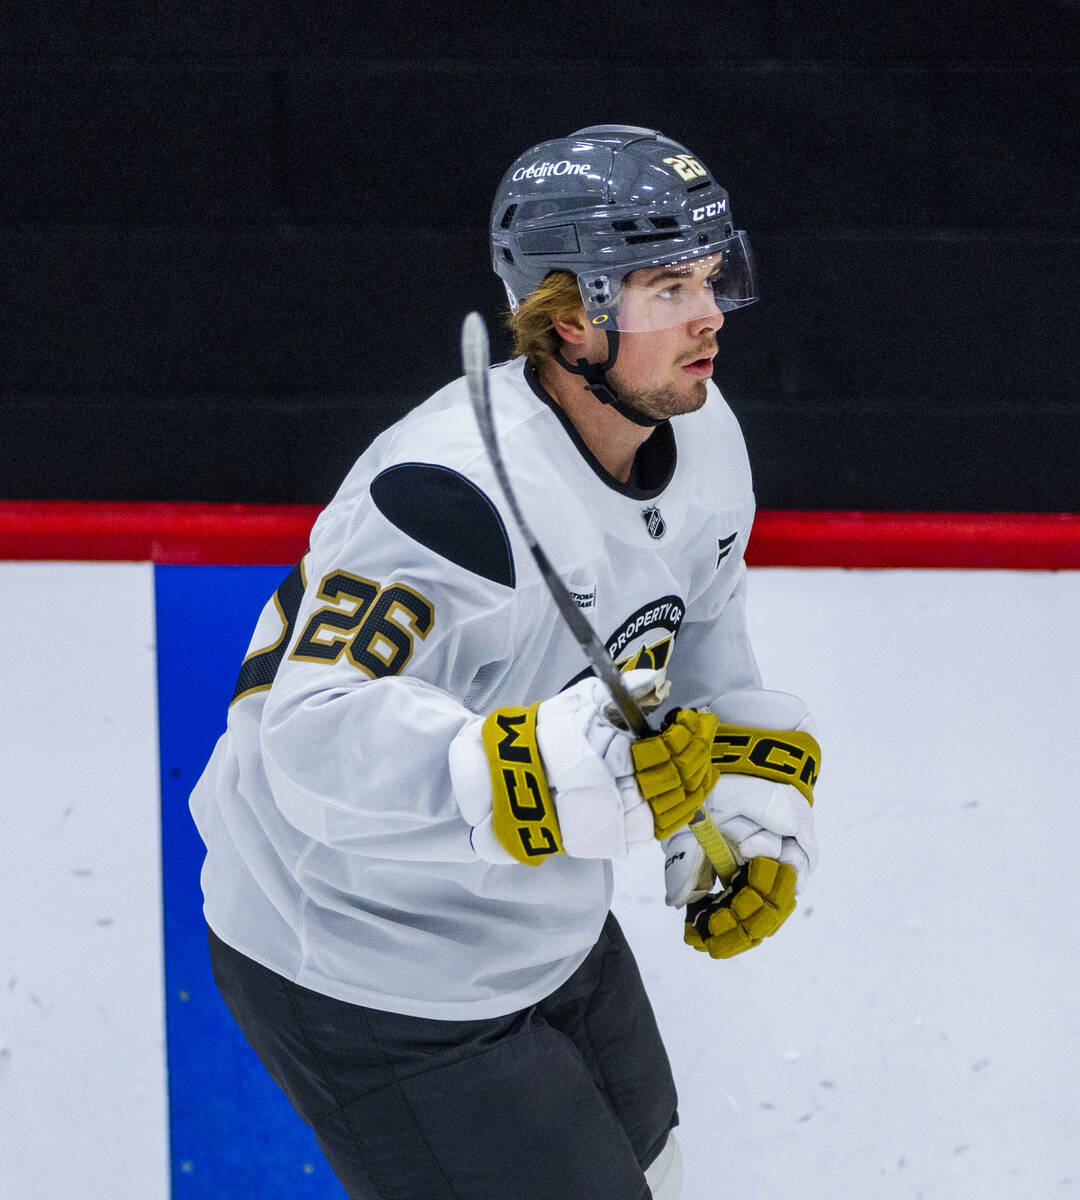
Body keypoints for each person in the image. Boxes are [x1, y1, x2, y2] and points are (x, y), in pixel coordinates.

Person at [190, 124, 820, 1200]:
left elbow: (698, 627)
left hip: (542, 922)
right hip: (364, 961)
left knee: (660, 1178)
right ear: (571, 316)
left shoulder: (703, 435)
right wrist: (538, 773)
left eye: (714, 276)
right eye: (670, 286)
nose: (711, 312)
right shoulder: (451, 493)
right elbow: (313, 734)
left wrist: (737, 810)